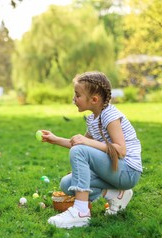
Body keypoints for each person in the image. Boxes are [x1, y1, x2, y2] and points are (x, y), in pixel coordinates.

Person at [40, 71, 142, 228]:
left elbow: (121, 150)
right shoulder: (93, 119)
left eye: (77, 95)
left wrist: (87, 142)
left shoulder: (110, 115)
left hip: (128, 171)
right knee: (67, 184)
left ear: (94, 100)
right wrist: (55, 139)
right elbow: (82, 144)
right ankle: (117, 195)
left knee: (79, 150)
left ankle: (80, 213)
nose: (74, 99)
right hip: (116, 170)